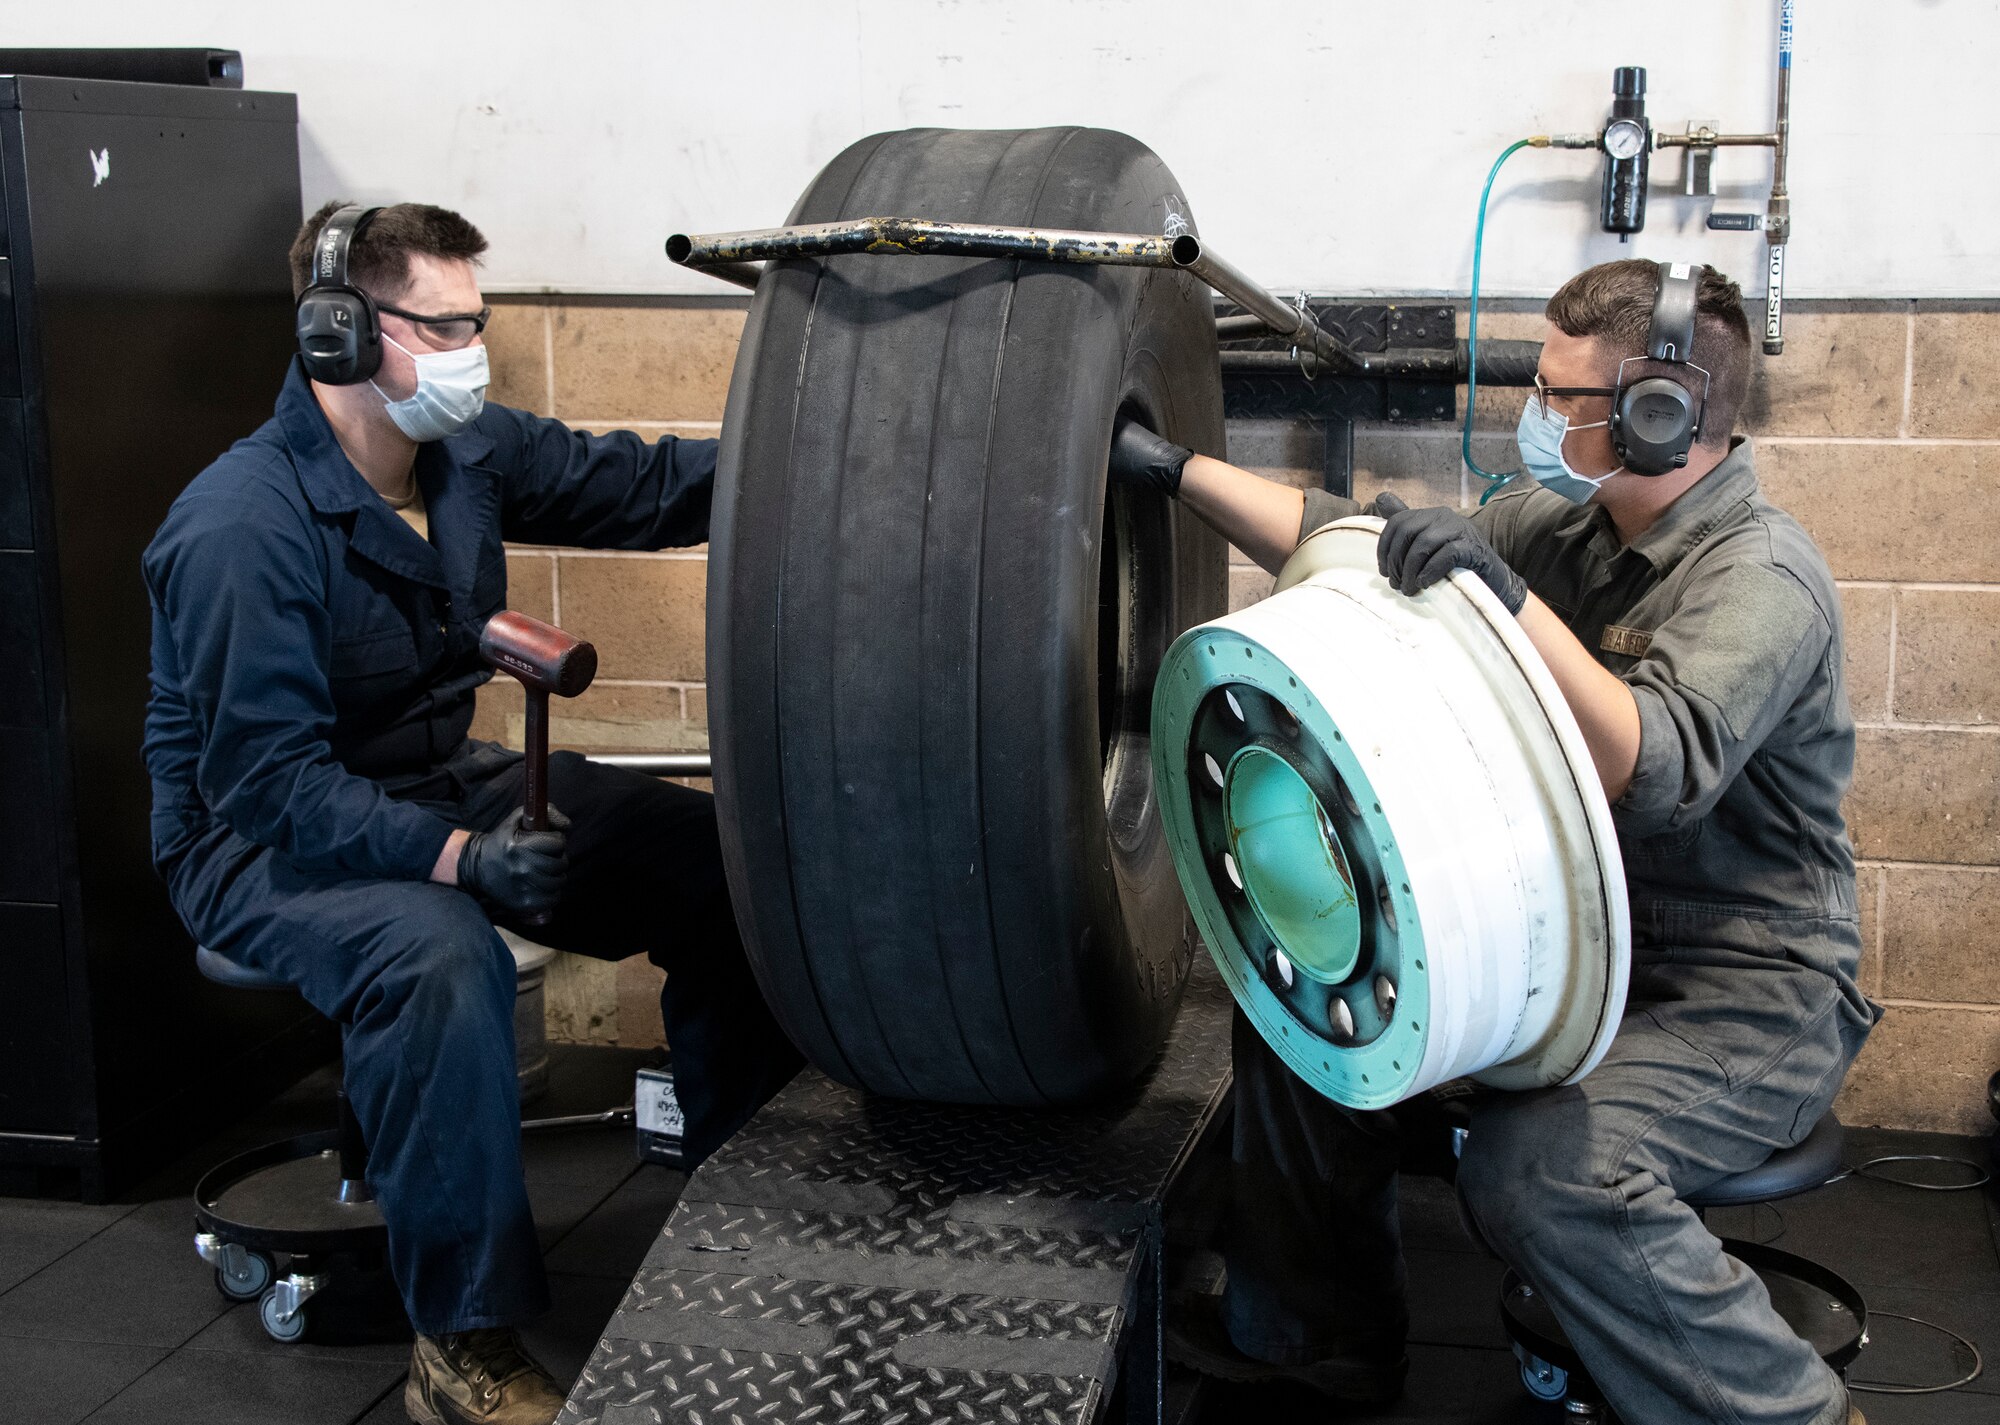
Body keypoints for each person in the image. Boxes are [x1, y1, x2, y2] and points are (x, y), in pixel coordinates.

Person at [1111, 259, 1879, 1425]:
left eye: (1564, 398)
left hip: (1745, 983)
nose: (1533, 415)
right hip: (1569, 945)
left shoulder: (1763, 577)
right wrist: (1166, 467)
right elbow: (1342, 540)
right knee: (1309, 1019)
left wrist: (1506, 602)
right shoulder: (1549, 527)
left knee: (1541, 1172)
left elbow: (1655, 764)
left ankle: (1787, 1414)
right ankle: (1321, 1349)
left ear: (1656, 413)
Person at [143, 201, 801, 1425]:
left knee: (714, 868)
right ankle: (461, 1343)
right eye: (438, 327)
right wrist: (460, 860)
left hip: (437, 780)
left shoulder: (462, 456)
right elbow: (268, 784)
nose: (468, 352)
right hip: (252, 839)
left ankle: (735, 1223)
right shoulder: (240, 527)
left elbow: (640, 486)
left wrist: (816, 443)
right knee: (437, 953)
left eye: (476, 324)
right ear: (337, 333)